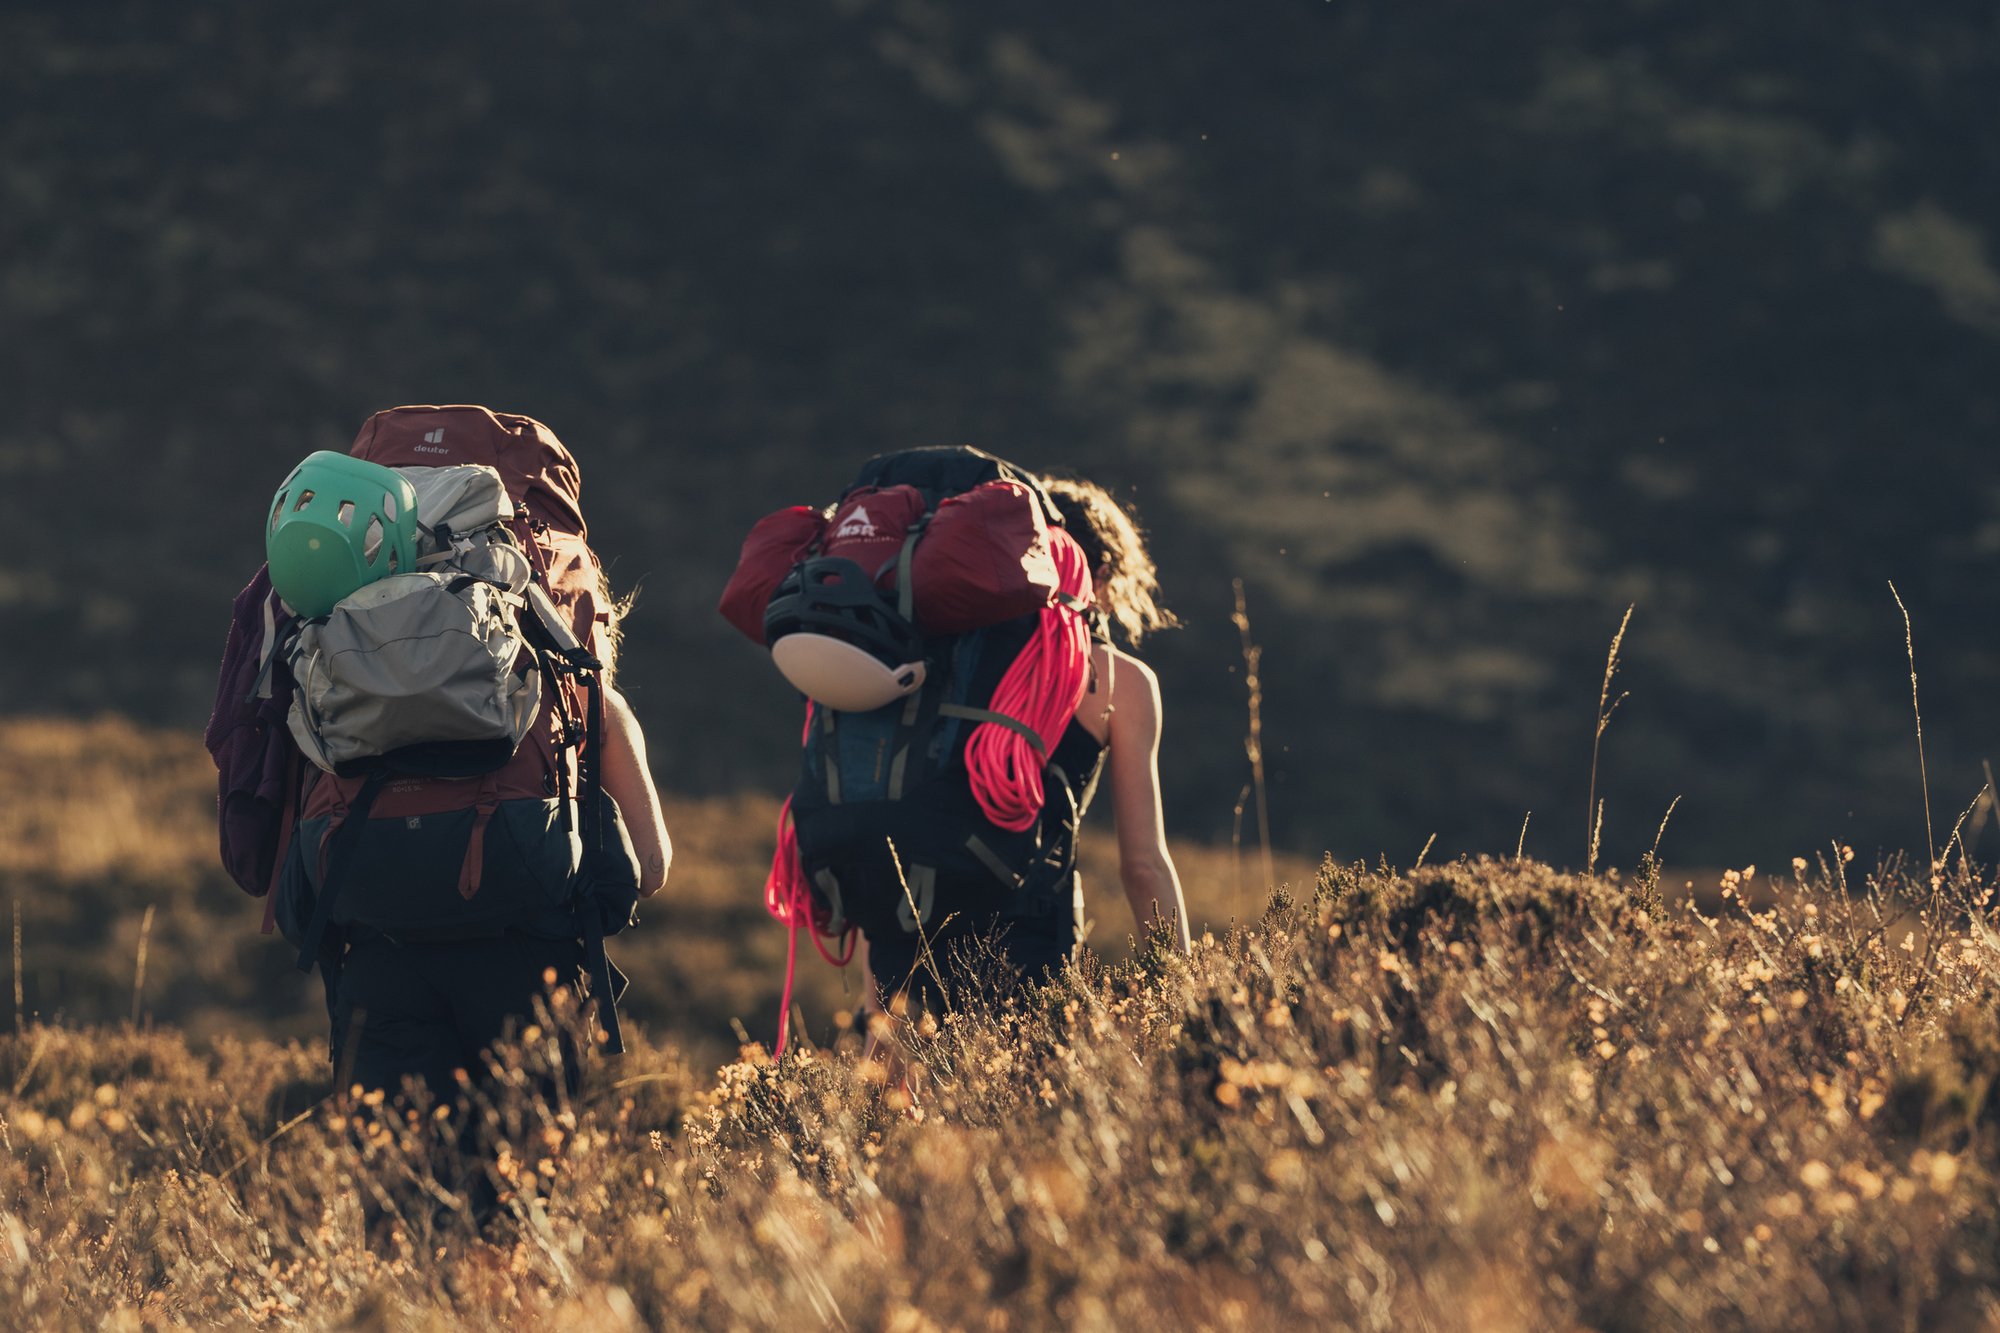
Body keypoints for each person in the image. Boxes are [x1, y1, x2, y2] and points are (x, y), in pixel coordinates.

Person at [856, 473, 1189, 1029]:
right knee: (1018, 1107)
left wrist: (875, 1002)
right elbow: (1142, 865)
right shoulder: (1117, 680)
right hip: (1031, 938)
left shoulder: (939, 656)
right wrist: (1182, 990)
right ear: (1100, 573)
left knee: (894, 1105)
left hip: (906, 921)